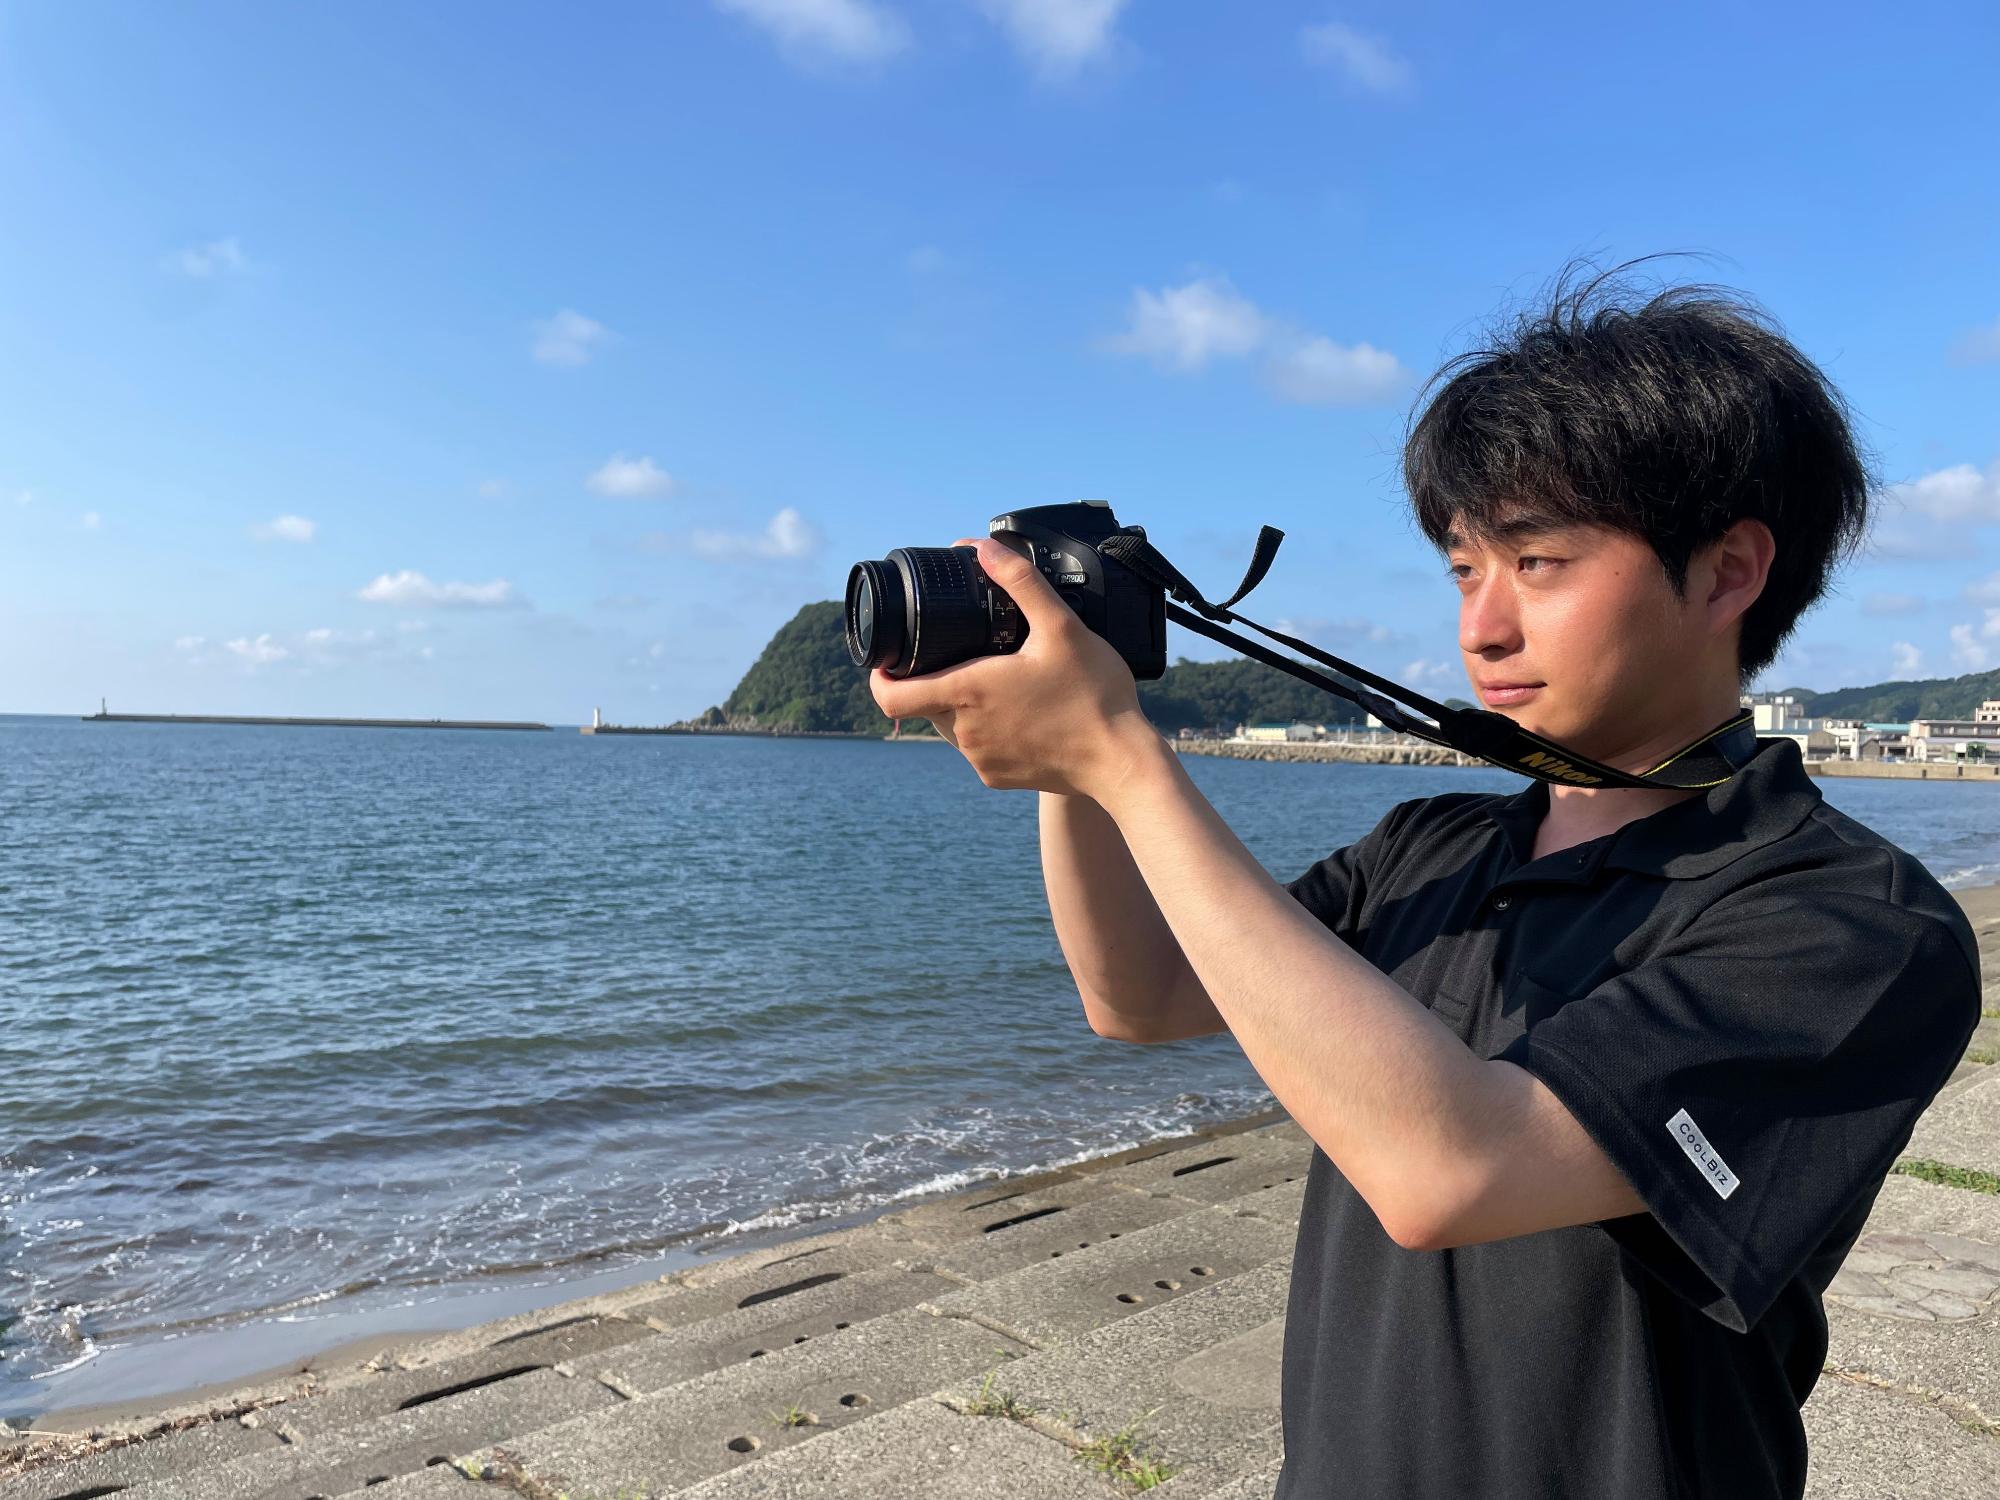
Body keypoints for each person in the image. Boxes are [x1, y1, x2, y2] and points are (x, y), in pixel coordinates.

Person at [867, 262, 1983, 1500]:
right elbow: (1143, 995)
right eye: (1462, 569)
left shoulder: (1844, 921)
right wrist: (1070, 765)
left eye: (1538, 563)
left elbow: (1452, 1169)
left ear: (1725, 573)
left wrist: (1124, 765)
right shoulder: (1432, 844)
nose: (1480, 628)